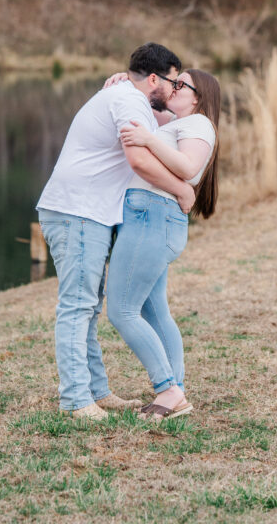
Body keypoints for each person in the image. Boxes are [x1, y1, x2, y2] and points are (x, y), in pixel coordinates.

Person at [36, 42, 196, 420]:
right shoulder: (129, 100)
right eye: (173, 82)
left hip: (86, 212)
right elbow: (138, 159)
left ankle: (97, 392)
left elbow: (164, 134)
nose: (174, 90)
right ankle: (76, 400)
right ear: (154, 78)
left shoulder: (126, 95)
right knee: (77, 306)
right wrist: (182, 189)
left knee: (88, 306)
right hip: (76, 211)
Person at [104, 67, 219, 421]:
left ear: (198, 97)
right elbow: (142, 99)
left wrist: (149, 141)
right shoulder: (172, 122)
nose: (175, 87)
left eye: (182, 84)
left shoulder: (199, 124)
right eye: (174, 81)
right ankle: (176, 391)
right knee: (154, 311)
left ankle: (168, 388)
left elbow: (188, 168)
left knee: (121, 309)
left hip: (153, 217)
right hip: (149, 217)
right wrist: (123, 81)